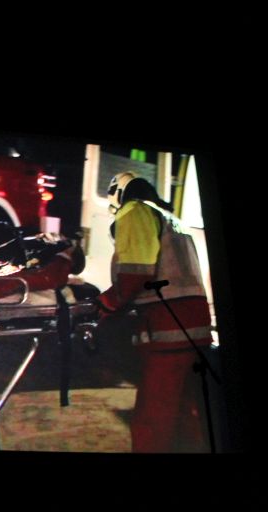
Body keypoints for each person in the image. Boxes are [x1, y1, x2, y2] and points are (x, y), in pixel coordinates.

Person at [95, 171, 211, 453]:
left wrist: (104, 304)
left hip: (167, 327)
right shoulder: (172, 219)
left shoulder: (134, 211)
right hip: (196, 327)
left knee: (152, 417)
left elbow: (135, 275)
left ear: (120, 196)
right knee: (184, 411)